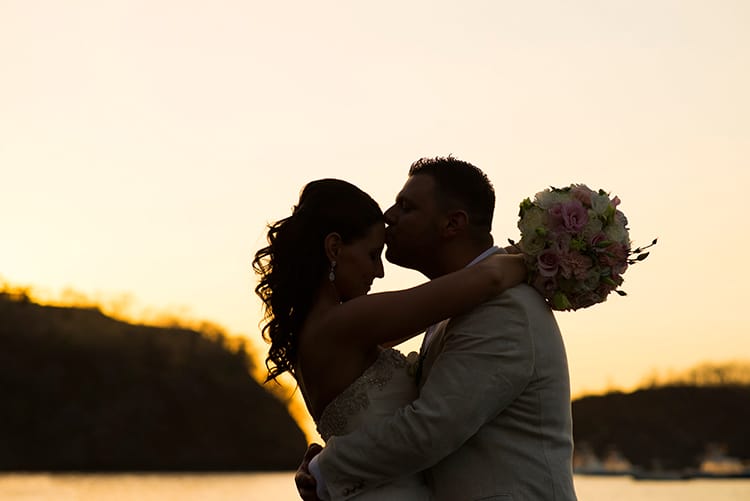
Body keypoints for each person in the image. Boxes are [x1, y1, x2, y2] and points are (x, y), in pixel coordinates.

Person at [296, 157, 577, 500]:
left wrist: (327, 470)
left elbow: (431, 429)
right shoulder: (450, 308)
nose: (388, 216)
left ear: (452, 224)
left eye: (406, 206)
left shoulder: (505, 308)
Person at [252, 177, 528, 499]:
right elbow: (491, 278)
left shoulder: (325, 331)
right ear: (334, 248)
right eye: (372, 254)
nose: (379, 271)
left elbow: (440, 308)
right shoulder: (346, 324)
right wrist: (540, 259)